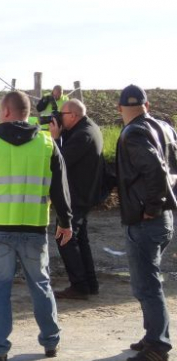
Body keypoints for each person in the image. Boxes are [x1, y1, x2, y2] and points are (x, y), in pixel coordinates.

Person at [0, 90, 73, 361]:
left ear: (7, 112)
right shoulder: (46, 144)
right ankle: (51, 341)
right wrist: (66, 221)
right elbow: (60, 187)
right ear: (27, 113)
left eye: (0, 111)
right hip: (34, 227)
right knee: (41, 285)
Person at [115, 85, 176, 361]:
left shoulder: (133, 133)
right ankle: (153, 335)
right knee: (147, 281)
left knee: (146, 284)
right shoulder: (164, 128)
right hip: (162, 217)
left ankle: (157, 344)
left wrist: (151, 206)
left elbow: (154, 168)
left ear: (119, 109)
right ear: (147, 104)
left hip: (146, 218)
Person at [48, 99, 104, 299]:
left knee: (64, 236)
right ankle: (90, 283)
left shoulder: (83, 134)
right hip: (84, 193)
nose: (58, 118)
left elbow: (60, 161)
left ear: (73, 115)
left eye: (61, 114)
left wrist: (54, 139)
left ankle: (80, 286)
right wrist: (62, 133)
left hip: (77, 195)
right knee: (80, 239)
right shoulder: (88, 129)